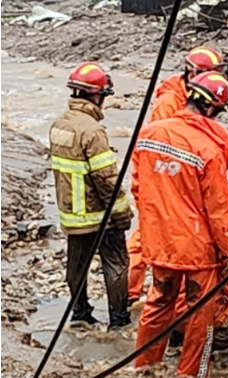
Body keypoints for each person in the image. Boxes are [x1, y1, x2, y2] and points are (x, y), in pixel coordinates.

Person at [133, 72, 228, 377]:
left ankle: (144, 368)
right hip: (197, 251)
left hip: (160, 243)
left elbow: (139, 189)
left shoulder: (149, 134)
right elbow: (220, 215)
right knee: (199, 316)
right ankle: (189, 374)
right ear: (211, 109)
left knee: (158, 304)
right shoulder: (209, 149)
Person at [127, 46, 228, 306]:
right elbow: (160, 145)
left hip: (175, 178)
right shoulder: (169, 103)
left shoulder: (190, 99)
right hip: (165, 180)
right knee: (145, 238)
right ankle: (129, 293)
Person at [49, 62, 133, 330]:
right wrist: (122, 213)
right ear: (97, 95)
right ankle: (118, 320)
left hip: (72, 214)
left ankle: (80, 313)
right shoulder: (93, 131)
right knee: (116, 262)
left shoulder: (60, 124)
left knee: (76, 264)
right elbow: (107, 179)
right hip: (99, 214)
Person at [169, 173, 228, 351]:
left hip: (169, 304)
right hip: (197, 308)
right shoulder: (225, 235)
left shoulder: (190, 218)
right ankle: (202, 346)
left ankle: (176, 339)